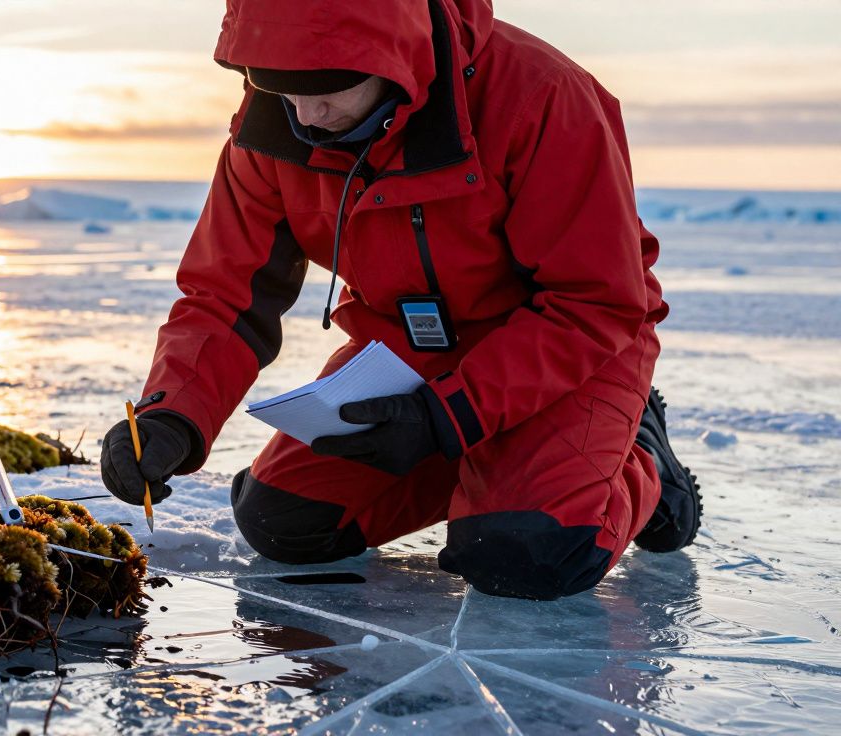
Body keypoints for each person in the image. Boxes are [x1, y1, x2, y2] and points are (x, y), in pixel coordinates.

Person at [100, 0, 702, 601]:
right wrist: (171, 415)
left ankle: (640, 457)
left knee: (526, 552)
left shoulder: (542, 95)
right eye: (279, 86)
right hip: (412, 349)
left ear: (391, 55)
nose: (307, 115)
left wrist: (445, 417)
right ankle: (490, 464)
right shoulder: (270, 128)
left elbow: (594, 303)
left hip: (568, 350)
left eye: (328, 88)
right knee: (283, 523)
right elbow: (224, 295)